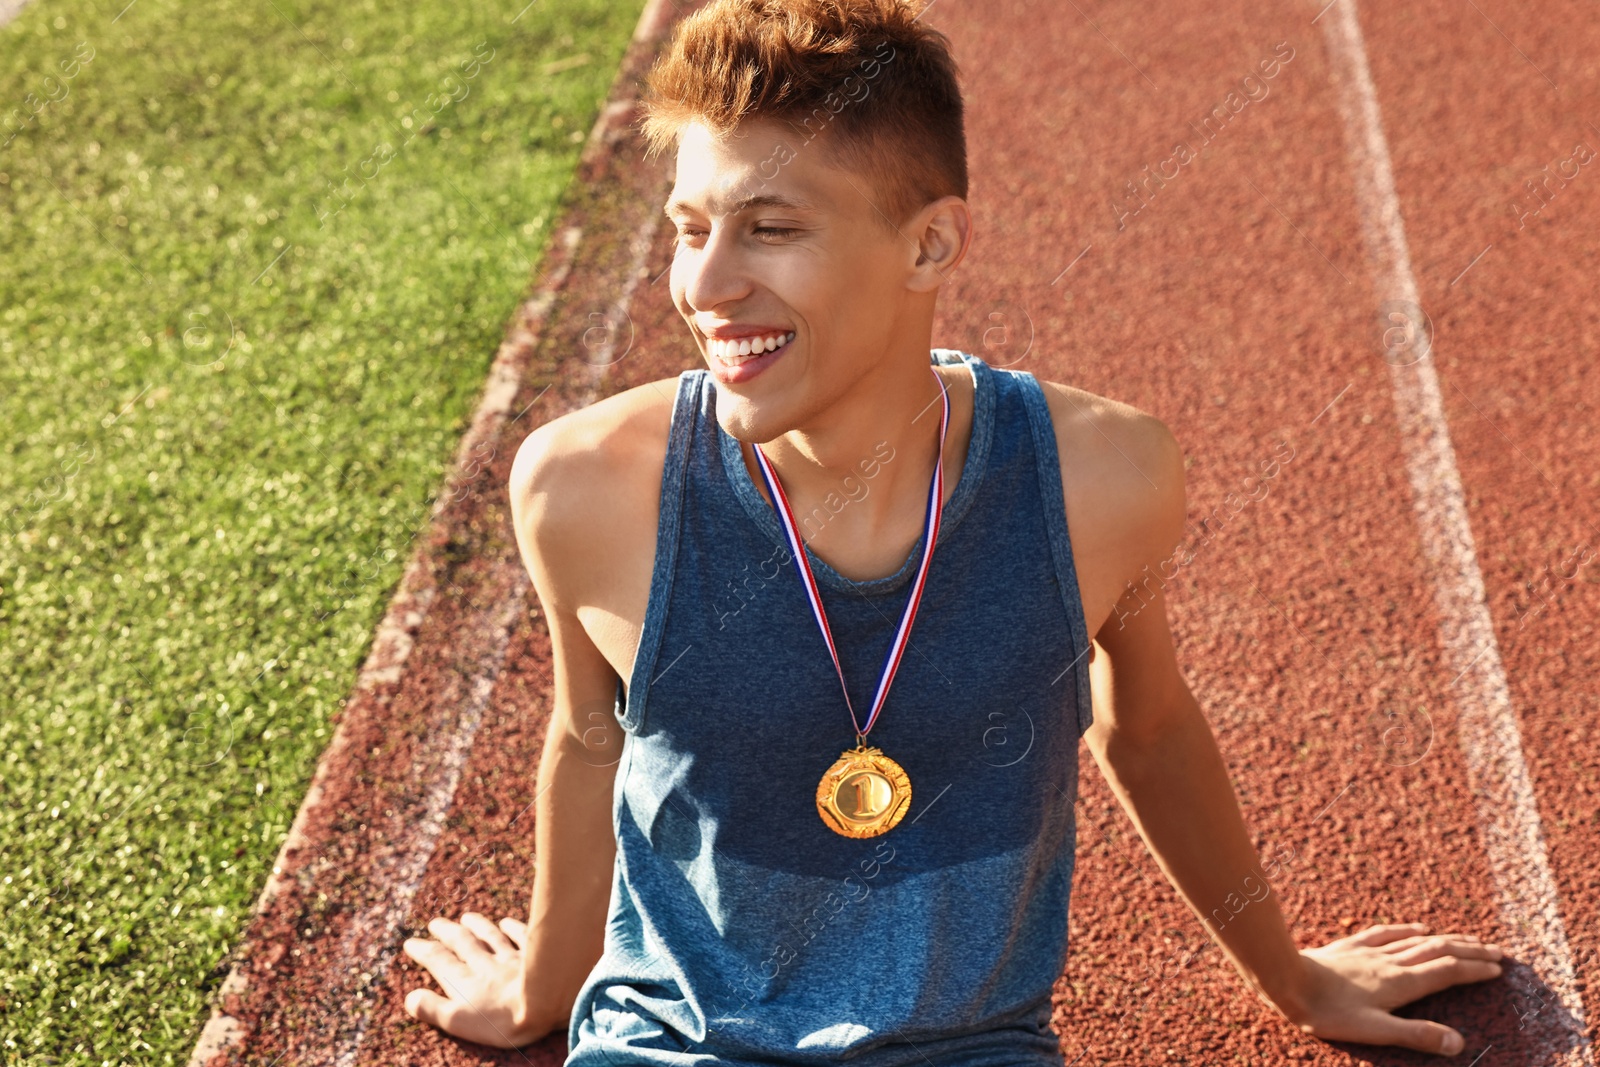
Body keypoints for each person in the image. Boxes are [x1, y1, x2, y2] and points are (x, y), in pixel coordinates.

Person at [399, 0, 1505, 1061]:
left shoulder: (1098, 479)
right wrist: (544, 985)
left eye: (770, 229)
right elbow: (589, 737)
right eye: (691, 228)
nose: (707, 283)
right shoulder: (585, 486)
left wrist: (1295, 978)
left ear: (930, 247)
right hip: (673, 1049)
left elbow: (1150, 727)